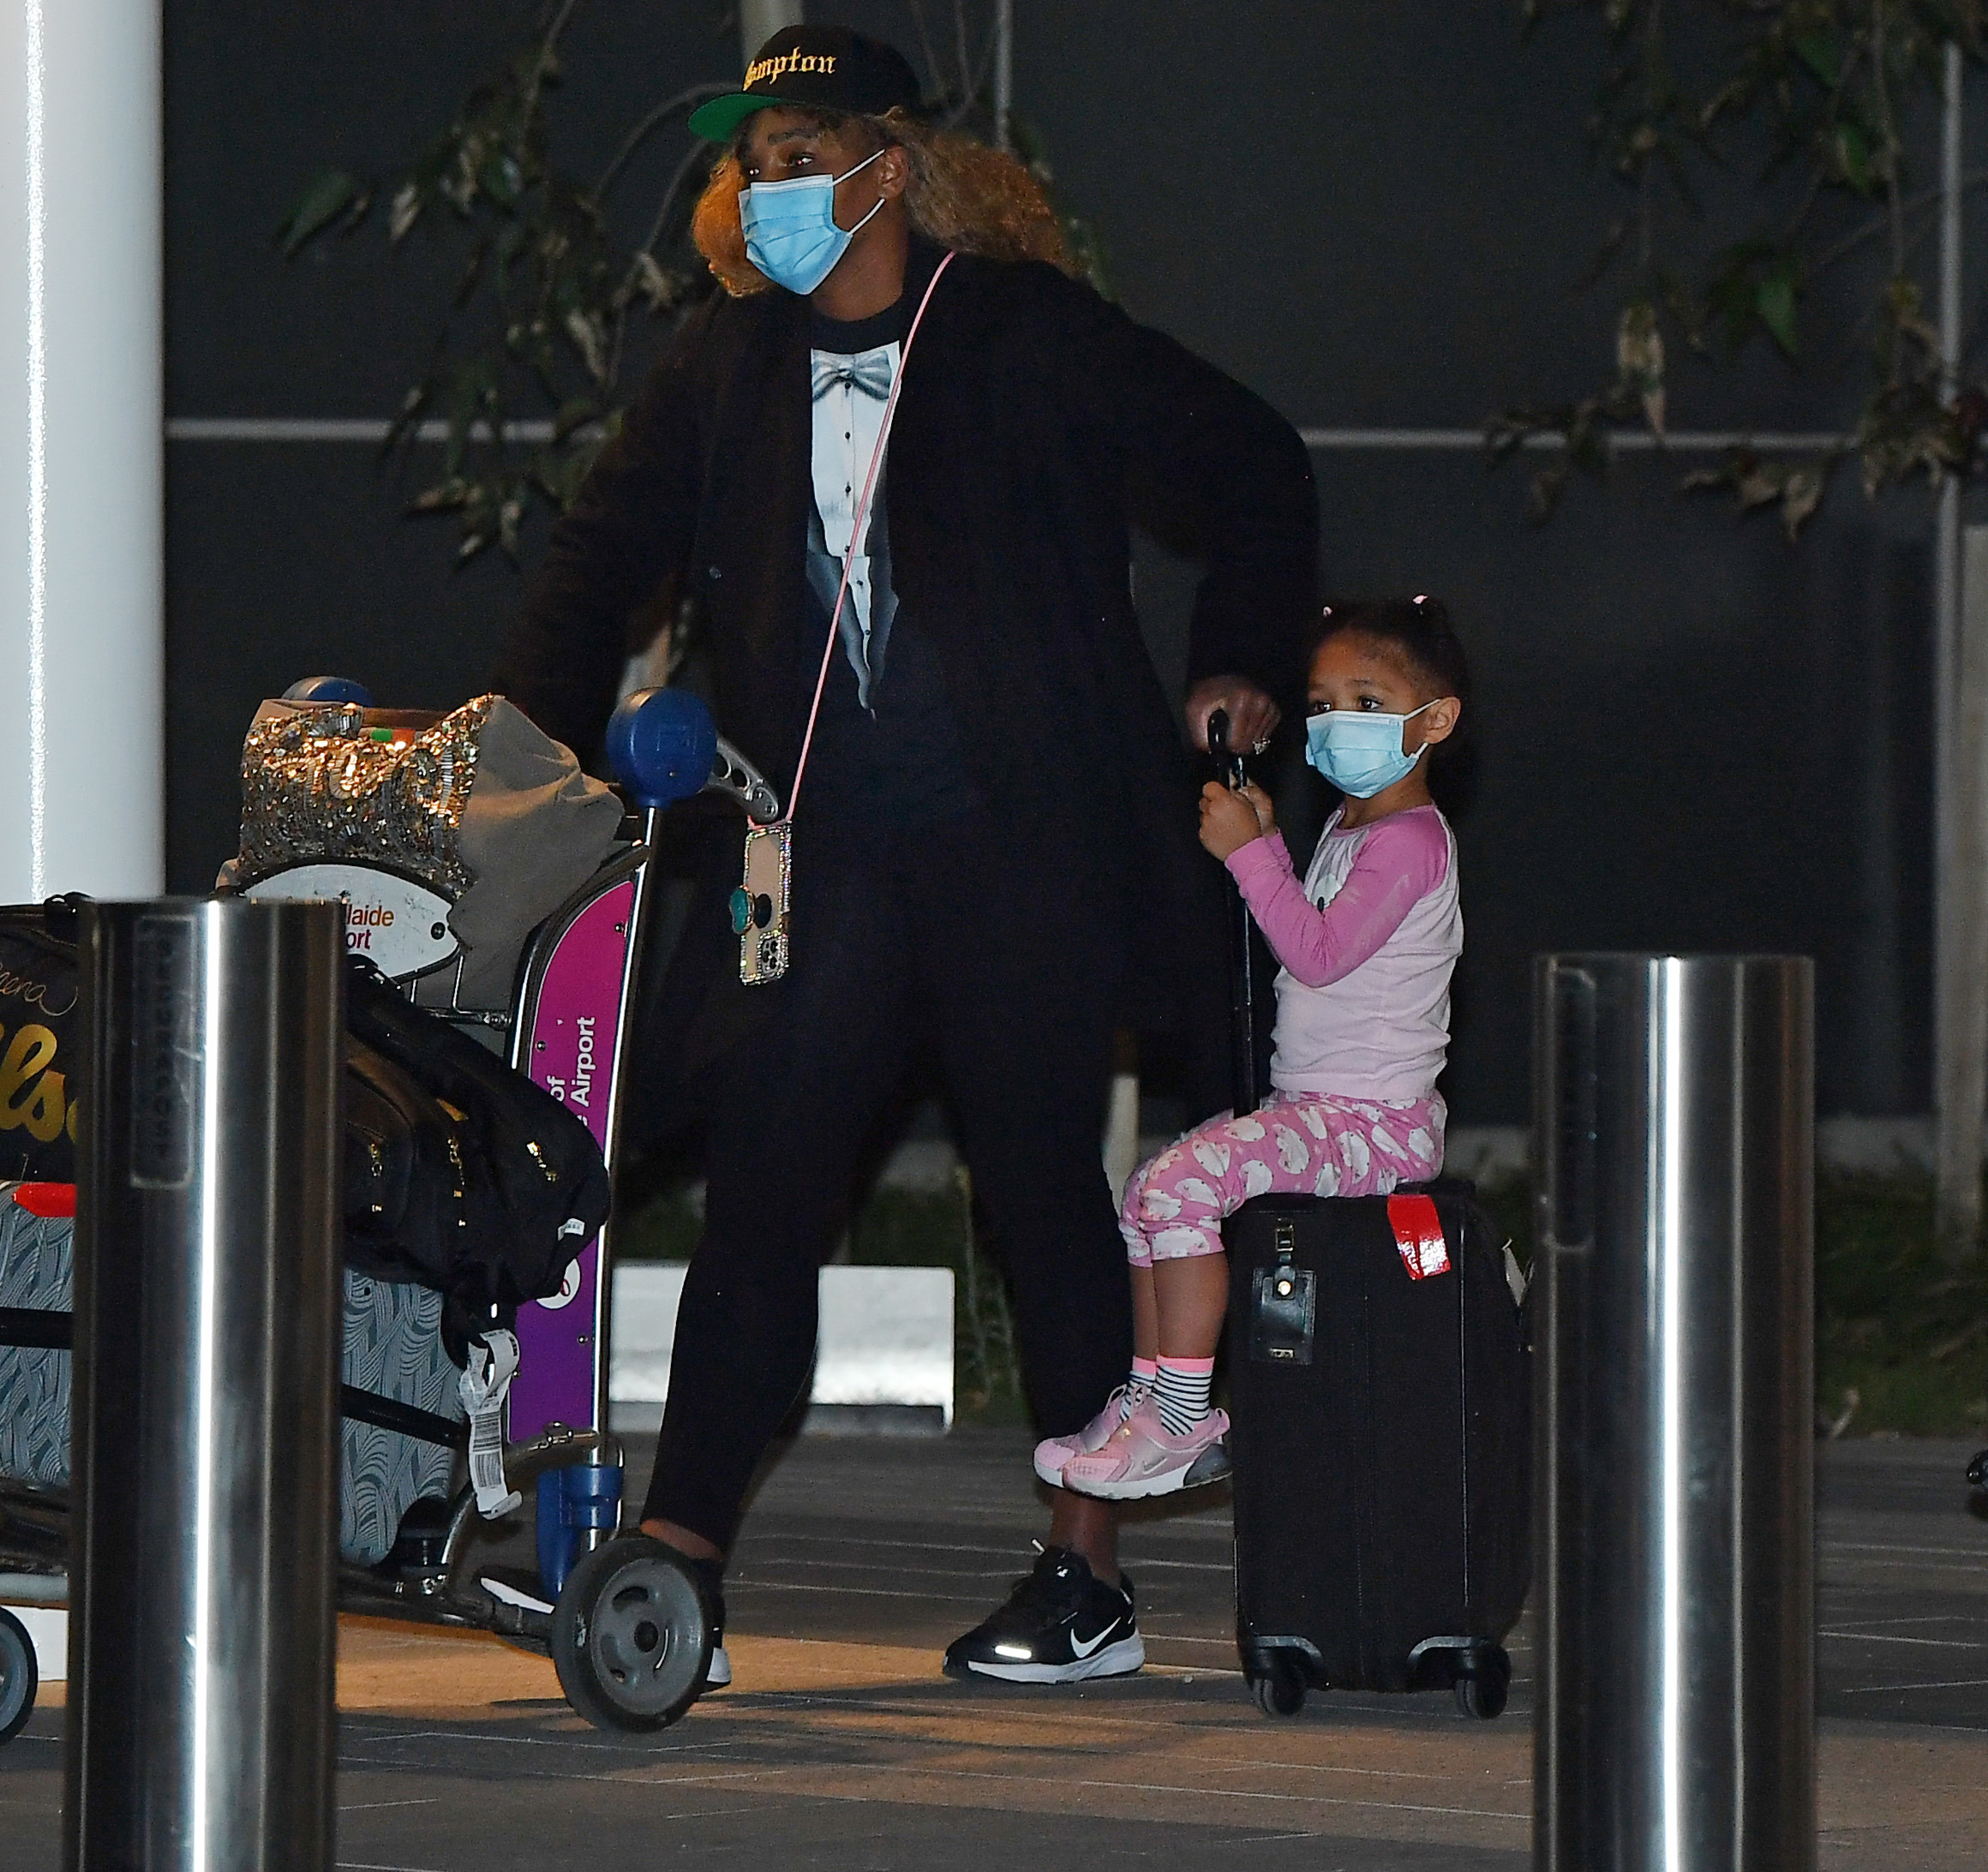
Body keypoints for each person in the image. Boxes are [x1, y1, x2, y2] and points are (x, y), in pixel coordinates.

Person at [492, 23, 1316, 1686]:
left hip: (1023, 849)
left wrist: (1238, 656)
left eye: (804, 155)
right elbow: (598, 564)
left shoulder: (1015, 334)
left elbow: (1251, 463)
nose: (771, 189)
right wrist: (514, 756)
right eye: (754, 163)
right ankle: (679, 1564)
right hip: (828, 857)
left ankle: (1081, 1574)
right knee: (764, 1183)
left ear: (889, 162)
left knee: (1038, 1192)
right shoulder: (725, 368)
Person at [1039, 598, 1466, 1501]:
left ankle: (1185, 1416)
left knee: (1182, 1185)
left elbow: (1315, 954)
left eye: (1365, 698)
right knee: (1147, 1192)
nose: (1333, 721)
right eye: (1320, 702)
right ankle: (1151, 1397)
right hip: (1317, 1110)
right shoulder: (1354, 829)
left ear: (1432, 721)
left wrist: (1252, 853)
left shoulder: (1408, 842)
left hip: (1374, 1124)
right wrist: (1267, 843)